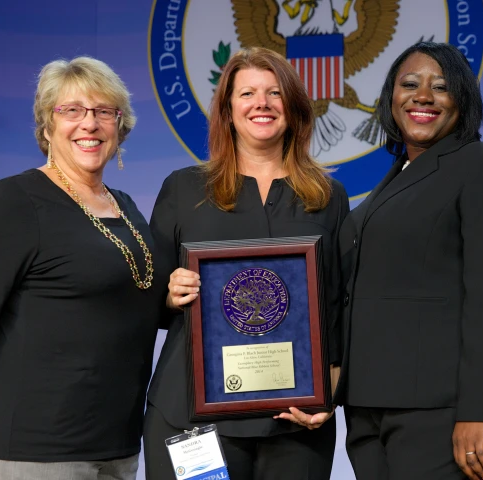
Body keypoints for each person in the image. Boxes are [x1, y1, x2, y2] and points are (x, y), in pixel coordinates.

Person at [0, 57, 163, 479]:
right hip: (36, 454)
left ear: (121, 124)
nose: (89, 124)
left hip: (118, 451)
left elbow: (136, 302)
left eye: (103, 112)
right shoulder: (15, 202)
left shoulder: (126, 208)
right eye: (71, 110)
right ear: (47, 125)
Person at [334, 42, 483, 480]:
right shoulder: (395, 179)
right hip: (371, 409)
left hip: (447, 415)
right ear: (390, 97)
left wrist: (481, 410)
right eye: (409, 84)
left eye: (440, 87)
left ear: (463, 99)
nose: (422, 96)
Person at [143, 47, 348, 480]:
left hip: (296, 421)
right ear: (227, 109)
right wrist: (170, 292)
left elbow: (340, 306)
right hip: (194, 419)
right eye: (248, 93)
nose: (262, 103)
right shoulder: (184, 189)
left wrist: (330, 390)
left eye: (275, 93)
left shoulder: (328, 196)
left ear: (293, 108)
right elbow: (145, 300)